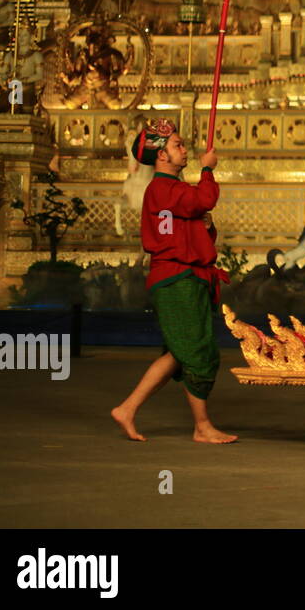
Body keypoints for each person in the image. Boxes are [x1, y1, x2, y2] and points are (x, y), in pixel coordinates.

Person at [111, 118, 236, 443]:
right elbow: (202, 199)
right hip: (178, 278)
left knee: (178, 354)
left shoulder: (170, 190)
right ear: (162, 156)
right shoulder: (166, 188)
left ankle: (127, 409)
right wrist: (207, 170)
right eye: (178, 146)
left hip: (184, 275)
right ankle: (202, 426)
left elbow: (193, 222)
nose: (185, 151)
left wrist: (204, 225)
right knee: (196, 351)